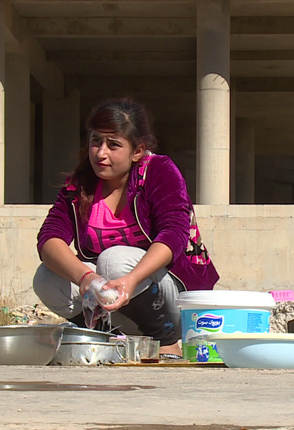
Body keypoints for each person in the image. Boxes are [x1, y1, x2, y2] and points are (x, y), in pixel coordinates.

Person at [33, 98, 220, 358]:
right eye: (96, 141)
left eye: (114, 145)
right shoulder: (80, 185)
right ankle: (103, 336)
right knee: (47, 276)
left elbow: (174, 234)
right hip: (117, 302)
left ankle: (166, 342)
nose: (101, 153)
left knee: (114, 259)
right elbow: (49, 238)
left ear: (137, 151)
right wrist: (87, 279)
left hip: (173, 303)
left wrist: (131, 280)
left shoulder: (158, 171)